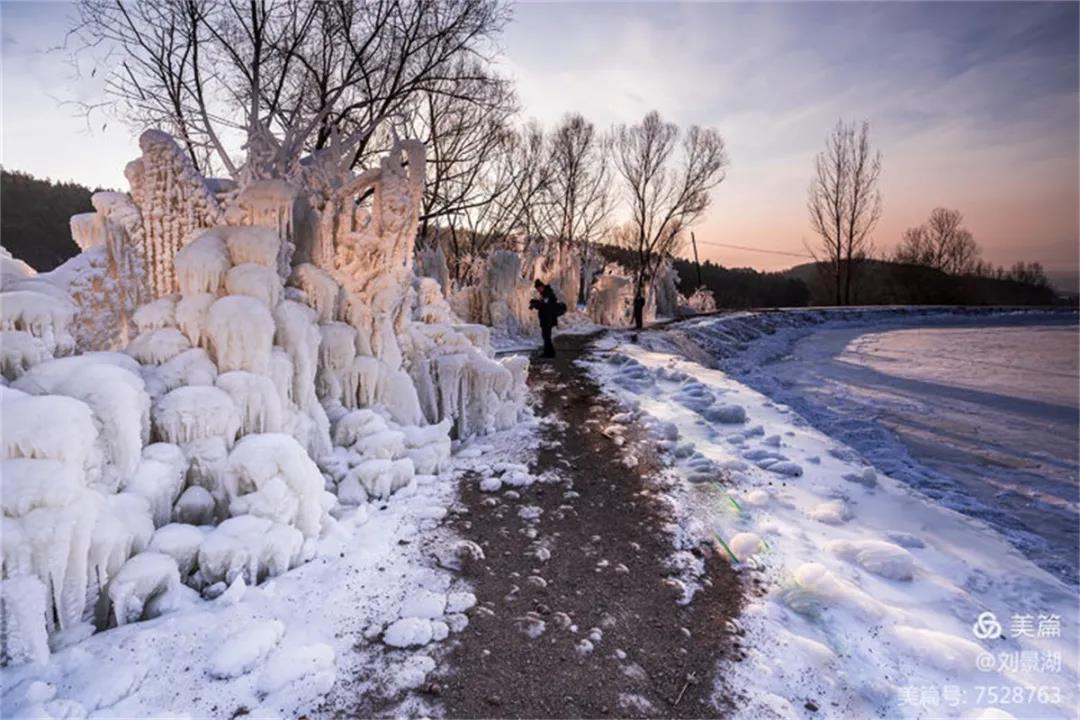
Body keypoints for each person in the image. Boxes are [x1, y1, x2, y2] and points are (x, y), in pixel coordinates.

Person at [530, 279, 561, 358]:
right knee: (546, 336)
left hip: (548, 319)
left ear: (542, 286)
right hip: (546, 318)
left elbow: (545, 306)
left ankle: (549, 353)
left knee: (546, 336)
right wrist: (536, 303)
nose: (538, 290)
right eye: (537, 289)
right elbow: (543, 305)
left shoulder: (548, 294)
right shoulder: (544, 294)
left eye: (538, 288)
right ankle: (549, 352)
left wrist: (536, 304)